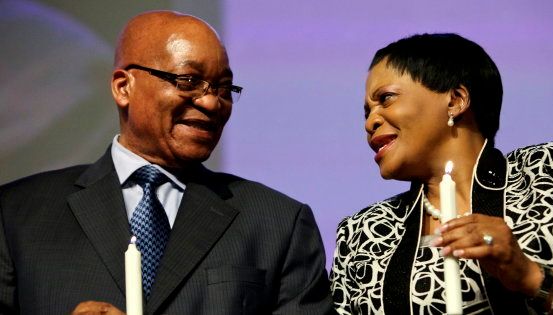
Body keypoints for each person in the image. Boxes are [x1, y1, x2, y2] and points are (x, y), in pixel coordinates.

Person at [0, 10, 334, 314]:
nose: (212, 102)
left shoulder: (278, 224)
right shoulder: (16, 214)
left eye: (224, 87)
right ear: (122, 87)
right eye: (189, 81)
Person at [330, 33, 553, 314]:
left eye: (385, 99)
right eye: (366, 112)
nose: (371, 121)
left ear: (456, 100)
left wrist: (528, 274)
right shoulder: (363, 234)